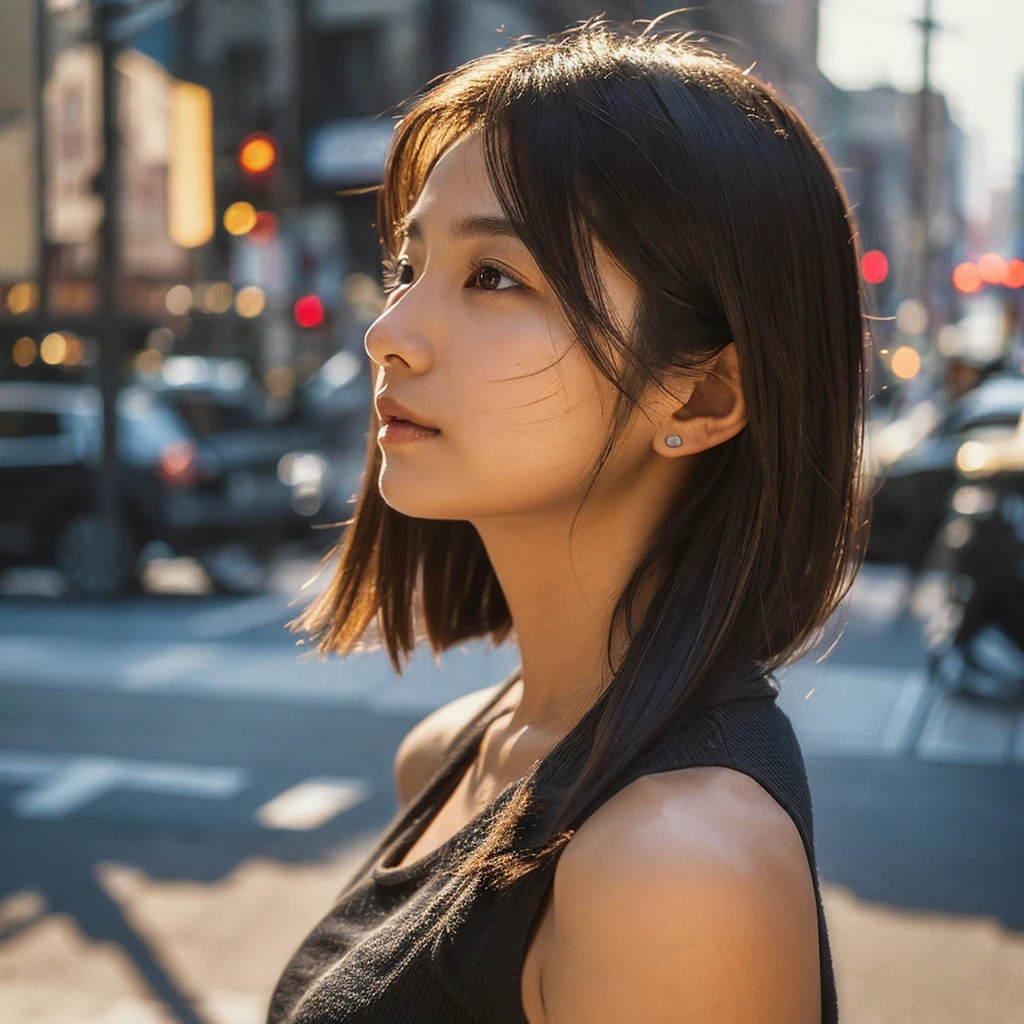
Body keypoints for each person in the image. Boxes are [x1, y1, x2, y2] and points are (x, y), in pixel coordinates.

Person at [269, 17, 867, 1024]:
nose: (388, 332)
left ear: (701, 396)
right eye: (410, 268)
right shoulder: (456, 749)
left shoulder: (675, 868)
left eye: (494, 277)